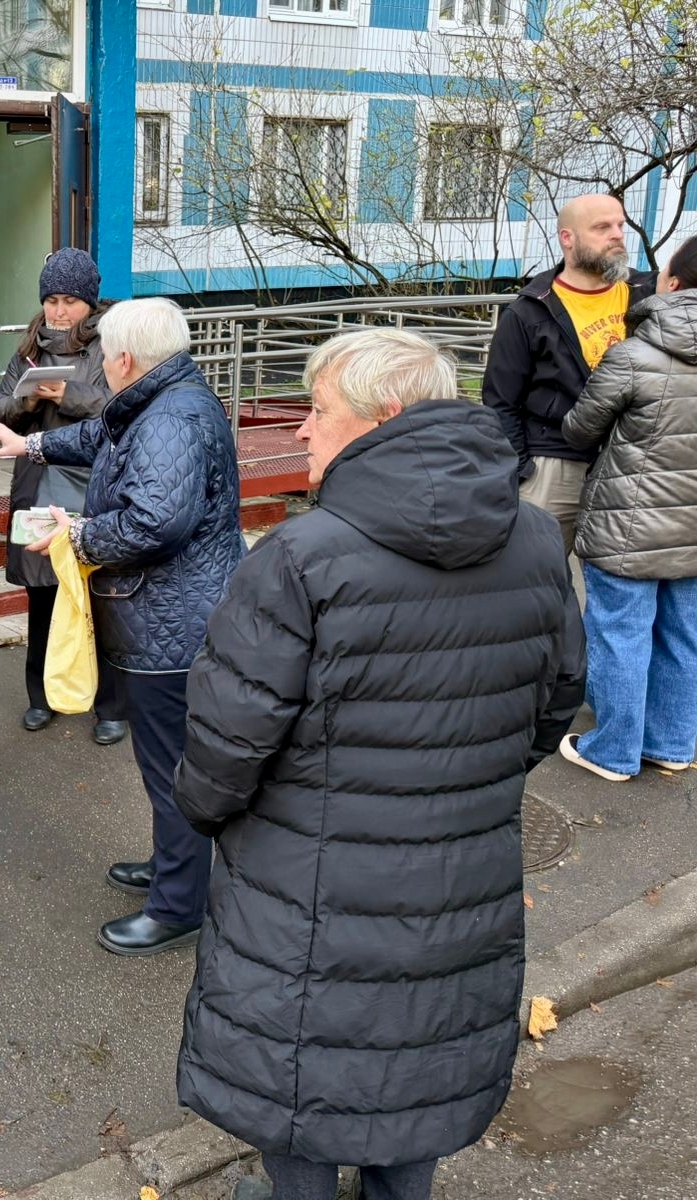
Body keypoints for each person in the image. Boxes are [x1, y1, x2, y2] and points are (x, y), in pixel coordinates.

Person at [173, 330, 586, 1200]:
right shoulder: (539, 541)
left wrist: (212, 817)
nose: (302, 432)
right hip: (462, 865)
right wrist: (465, 787)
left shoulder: (299, 557)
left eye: (319, 411)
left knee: (301, 1061)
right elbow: (557, 702)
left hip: (305, 871)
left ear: (383, 419)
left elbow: (225, 741)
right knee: (422, 1053)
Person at [0, 297, 244, 956]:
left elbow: (155, 521)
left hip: (171, 625)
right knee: (167, 765)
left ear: (122, 358)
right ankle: (174, 871)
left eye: (105, 354)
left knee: (172, 768)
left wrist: (80, 534)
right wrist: (29, 442)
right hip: (169, 617)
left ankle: (179, 904)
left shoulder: (171, 419)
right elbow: (97, 437)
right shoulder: (162, 399)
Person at [556, 236, 697, 781]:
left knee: (620, 633)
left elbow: (579, 429)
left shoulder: (634, 356)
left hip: (628, 525)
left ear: (675, 285)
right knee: (685, 636)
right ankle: (672, 743)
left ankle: (612, 751)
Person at [0, 248, 126, 745]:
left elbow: (122, 409)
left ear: (89, 301)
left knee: (101, 600)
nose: (59, 311)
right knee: (43, 597)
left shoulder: (113, 345)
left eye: (69, 300)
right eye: (51, 300)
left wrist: (69, 397)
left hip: (94, 491)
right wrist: (27, 397)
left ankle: (110, 705)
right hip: (39, 491)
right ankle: (41, 697)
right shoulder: (29, 349)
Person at [482, 193, 655, 554]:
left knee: (620, 588)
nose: (617, 235)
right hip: (555, 463)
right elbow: (500, 401)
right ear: (567, 238)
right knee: (533, 574)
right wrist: (523, 470)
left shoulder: (646, 295)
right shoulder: (530, 311)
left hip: (633, 464)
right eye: (601, 227)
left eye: (620, 225)